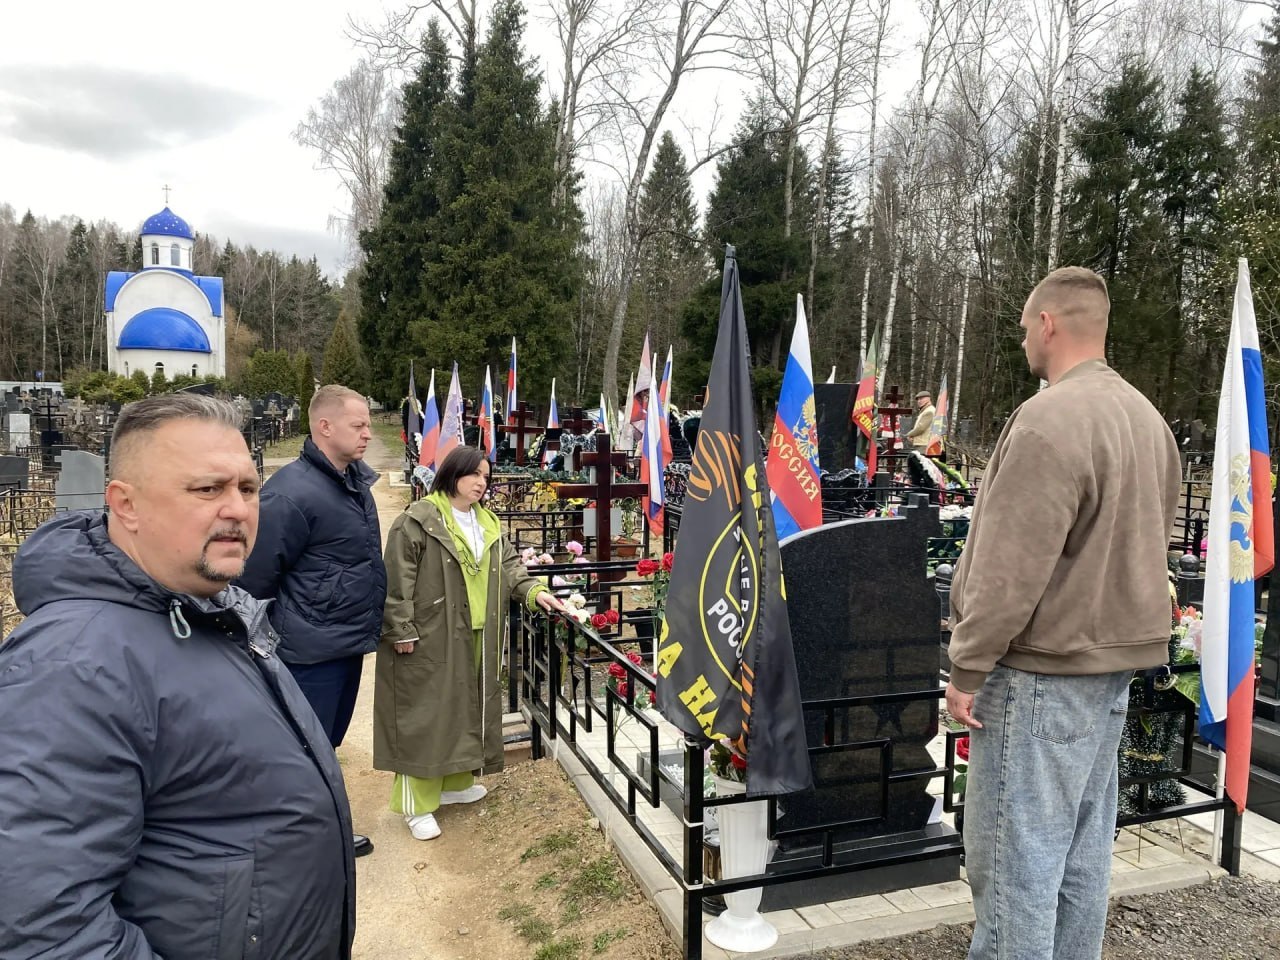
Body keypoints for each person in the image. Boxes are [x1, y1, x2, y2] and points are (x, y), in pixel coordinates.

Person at [0, 394, 355, 959]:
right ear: (127, 505)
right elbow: (42, 929)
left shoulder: (209, 604)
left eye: (247, 488)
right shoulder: (73, 667)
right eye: (207, 489)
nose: (238, 509)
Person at [945, 267, 1179, 960]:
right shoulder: (1147, 419)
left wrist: (967, 665)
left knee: (1015, 868)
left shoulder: (1048, 419)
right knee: (1078, 863)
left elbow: (1009, 566)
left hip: (1037, 676)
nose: (1022, 341)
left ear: (1049, 322)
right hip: (1111, 675)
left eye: (1023, 328)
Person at [374, 445, 565, 840]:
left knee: (467, 705)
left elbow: (511, 569)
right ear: (453, 474)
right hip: (432, 632)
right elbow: (397, 580)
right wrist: (402, 629)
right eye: (474, 474)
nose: (481, 483)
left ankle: (454, 783)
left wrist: (534, 592)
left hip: (479, 629)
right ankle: (416, 804)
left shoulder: (487, 522)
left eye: (486, 476)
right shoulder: (419, 519)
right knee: (426, 713)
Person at [237, 384, 386, 858]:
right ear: (325, 427)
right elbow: (257, 576)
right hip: (307, 649)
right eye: (358, 425)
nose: (367, 434)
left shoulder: (350, 481)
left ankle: (321, 833)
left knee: (326, 744)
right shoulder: (291, 493)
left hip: (344, 641)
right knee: (301, 747)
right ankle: (296, 845)